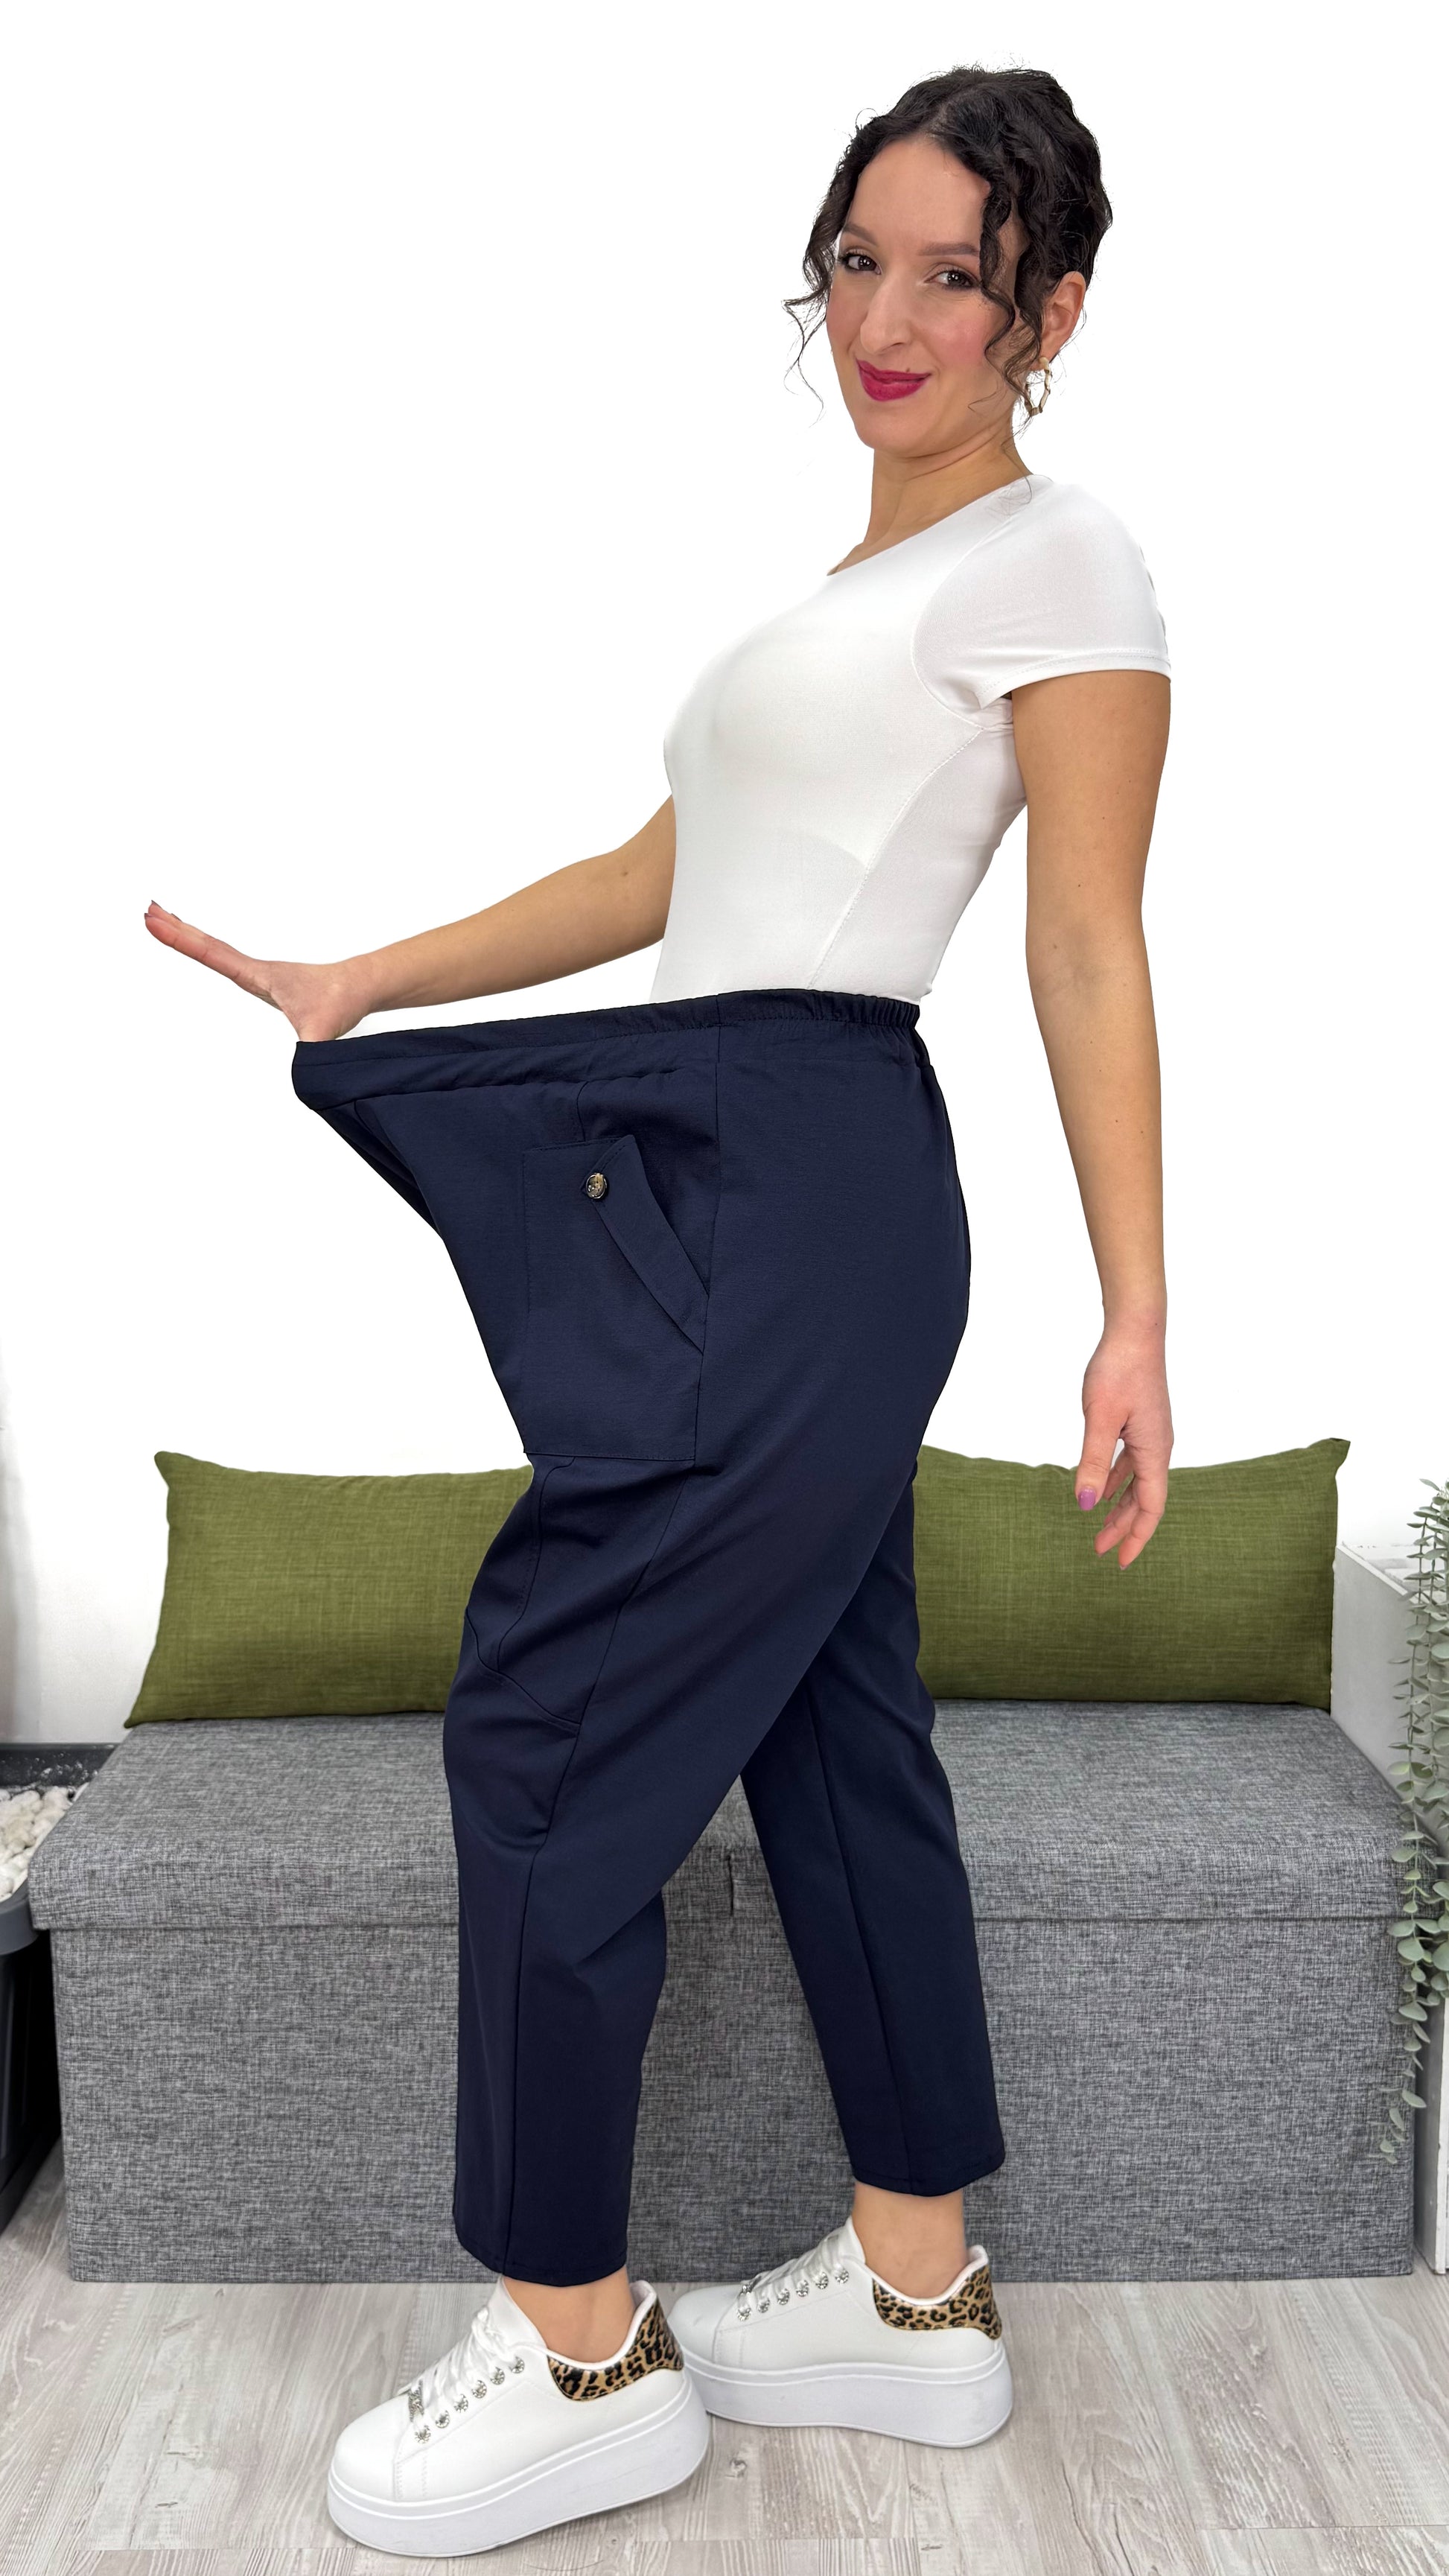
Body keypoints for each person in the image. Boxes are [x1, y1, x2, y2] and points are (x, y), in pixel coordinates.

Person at [147, 60, 1173, 2562]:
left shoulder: (1059, 560)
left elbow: (1078, 935)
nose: (891, 316)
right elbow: (666, 870)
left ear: (1050, 309)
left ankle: (577, 2339)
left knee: (547, 1712)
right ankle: (916, 2291)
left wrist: (1134, 1313)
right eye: (858, 259)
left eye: (955, 275)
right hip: (728, 1146)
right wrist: (367, 972)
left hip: (802, 1170)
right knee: (834, 1732)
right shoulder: (838, 605)